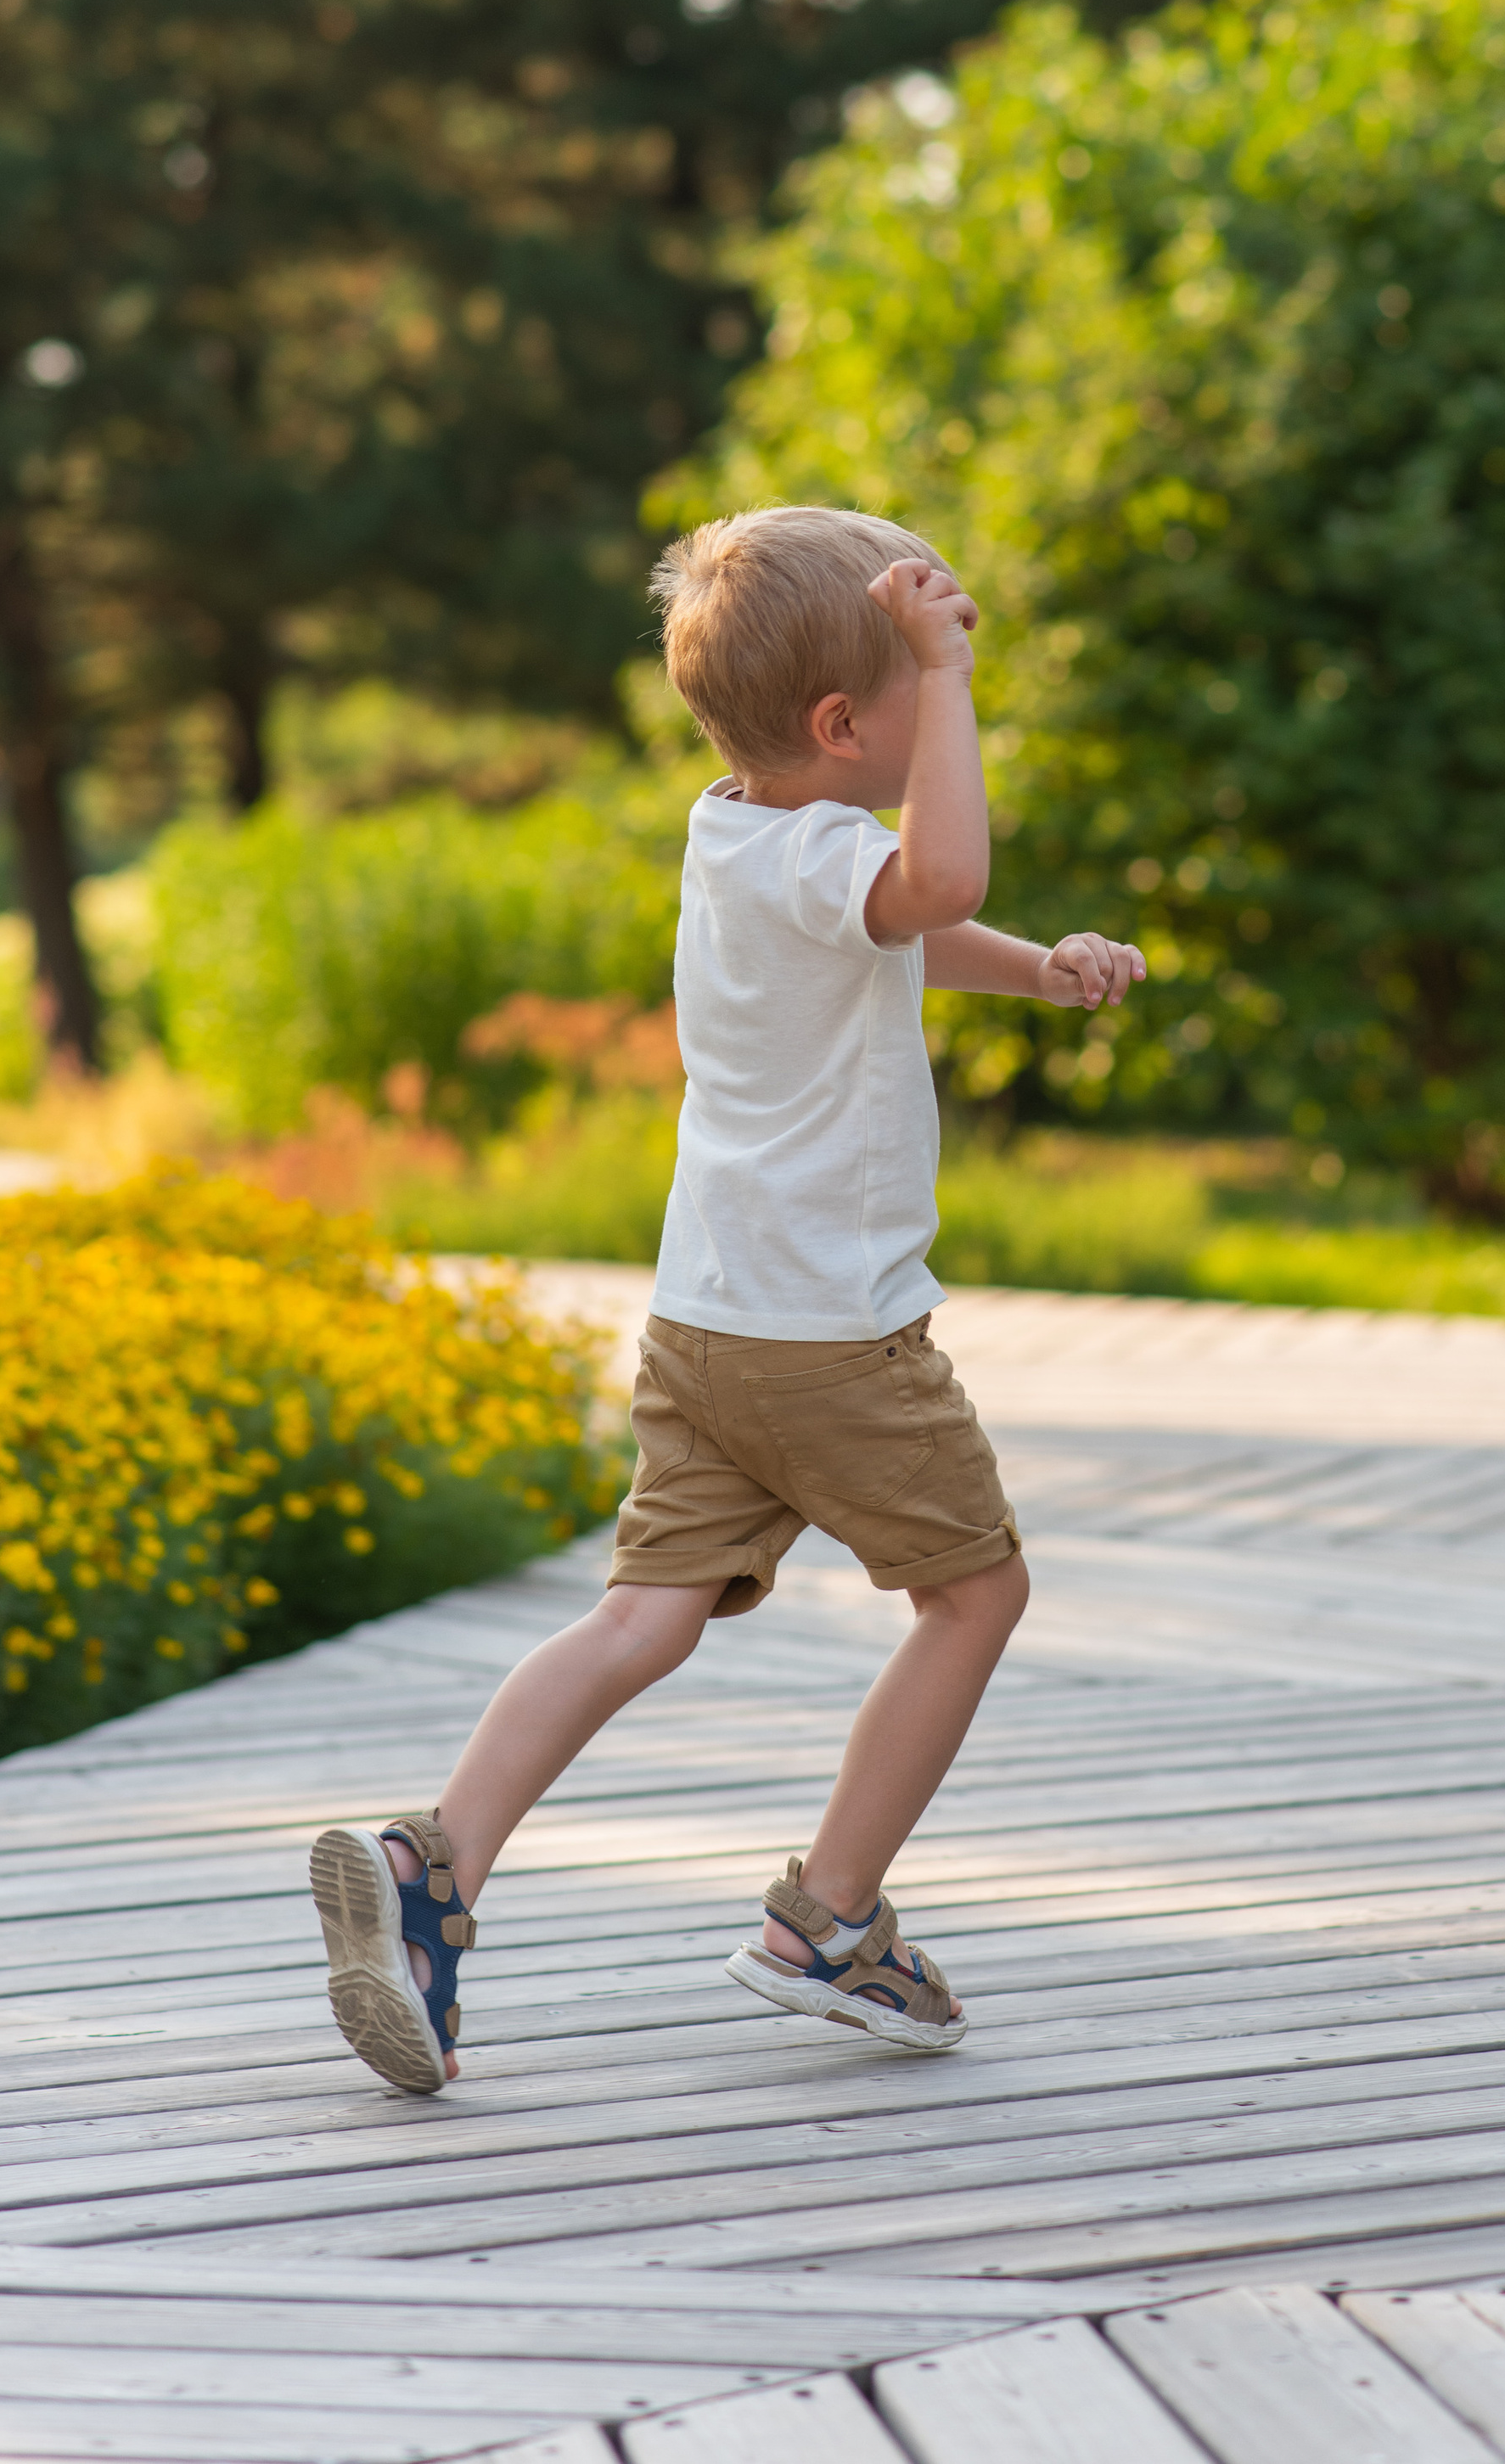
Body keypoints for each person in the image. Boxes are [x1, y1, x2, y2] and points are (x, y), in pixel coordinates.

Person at [309, 505, 1146, 2091]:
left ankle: (436, 1866)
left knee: (642, 1618)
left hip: (706, 1329)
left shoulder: (738, 831)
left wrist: (1036, 968)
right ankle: (829, 1921)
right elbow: (928, 871)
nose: (940, 707)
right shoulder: (847, 847)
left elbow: (903, 926)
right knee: (975, 1597)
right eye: (913, 694)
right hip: (836, 1341)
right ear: (847, 727)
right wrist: (950, 675)